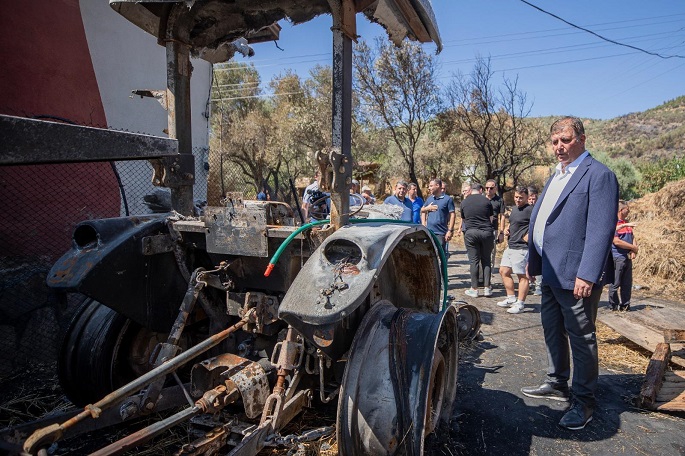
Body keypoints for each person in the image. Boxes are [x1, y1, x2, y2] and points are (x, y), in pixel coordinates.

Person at [522, 116, 618, 431]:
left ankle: (584, 400)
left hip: (575, 274)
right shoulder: (558, 175)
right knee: (552, 330)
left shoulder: (598, 175)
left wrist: (588, 274)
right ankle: (557, 381)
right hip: (549, 270)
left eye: (565, 140)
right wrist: (532, 260)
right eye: (554, 142)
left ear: (582, 139)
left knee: (582, 338)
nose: (559, 147)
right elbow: (545, 220)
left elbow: (601, 229)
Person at [496, 186, 533, 314]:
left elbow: (540, 224)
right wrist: (507, 228)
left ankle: (520, 303)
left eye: (521, 198)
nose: (518, 200)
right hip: (511, 245)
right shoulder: (515, 209)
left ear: (527, 197)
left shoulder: (530, 210)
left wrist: (530, 235)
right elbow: (514, 223)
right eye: (516, 197)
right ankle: (511, 298)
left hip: (522, 247)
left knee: (522, 276)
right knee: (503, 271)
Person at [460, 183, 495, 297]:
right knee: (486, 260)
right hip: (486, 232)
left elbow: (464, 219)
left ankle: (474, 289)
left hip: (471, 233)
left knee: (473, 261)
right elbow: (490, 218)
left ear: (471, 190)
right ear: (480, 190)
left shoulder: (464, 202)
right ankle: (487, 288)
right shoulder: (486, 201)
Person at [609, 201, 638, 311]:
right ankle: (614, 305)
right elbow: (616, 242)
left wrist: (634, 249)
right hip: (618, 257)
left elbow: (633, 237)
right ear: (621, 210)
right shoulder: (614, 224)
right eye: (627, 209)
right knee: (615, 283)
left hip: (627, 257)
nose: (629, 211)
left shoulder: (627, 224)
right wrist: (632, 247)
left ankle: (625, 305)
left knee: (627, 283)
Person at [421, 179, 455, 256]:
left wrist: (450, 230)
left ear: (437, 186)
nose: (429, 188)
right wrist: (424, 224)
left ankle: (443, 268)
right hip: (429, 232)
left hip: (441, 233)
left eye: (431, 186)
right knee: (430, 255)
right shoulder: (430, 198)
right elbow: (422, 210)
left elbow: (452, 214)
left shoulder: (447, 199)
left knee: (441, 256)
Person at [484, 179, 506, 282]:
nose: (488, 190)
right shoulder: (481, 199)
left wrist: (501, 233)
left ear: (495, 188)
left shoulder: (499, 200)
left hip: (493, 229)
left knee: (492, 253)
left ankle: (488, 277)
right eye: (487, 188)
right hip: (480, 229)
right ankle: (480, 277)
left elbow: (502, 217)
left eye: (491, 188)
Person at [528, 186, 543, 296]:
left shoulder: (541, 209)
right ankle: (528, 283)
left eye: (534, 199)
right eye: (530, 199)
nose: (532, 201)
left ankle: (538, 286)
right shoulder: (523, 209)